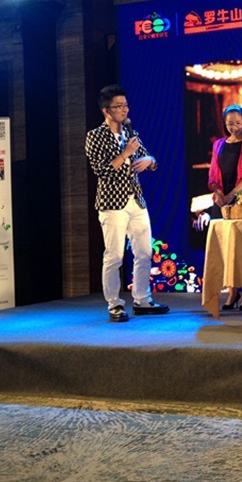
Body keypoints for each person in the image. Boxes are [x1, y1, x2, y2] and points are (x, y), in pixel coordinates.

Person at [85, 84, 170, 323]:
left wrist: (149, 160)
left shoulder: (130, 133)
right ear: (106, 110)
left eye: (126, 105)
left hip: (136, 200)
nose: (124, 110)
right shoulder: (95, 136)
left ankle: (142, 299)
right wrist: (125, 153)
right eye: (119, 106)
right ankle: (114, 304)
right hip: (112, 203)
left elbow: (150, 160)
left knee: (144, 252)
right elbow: (101, 171)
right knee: (114, 256)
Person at [207, 104, 242, 310]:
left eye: (238, 123)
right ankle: (232, 291)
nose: (234, 127)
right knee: (225, 248)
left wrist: (232, 195)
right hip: (221, 200)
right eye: (230, 124)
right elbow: (213, 174)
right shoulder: (219, 144)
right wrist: (219, 193)